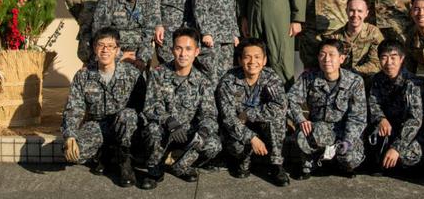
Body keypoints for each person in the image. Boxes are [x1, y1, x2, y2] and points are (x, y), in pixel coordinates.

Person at [139, 27, 222, 189]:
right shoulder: (158, 74)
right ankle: (154, 169)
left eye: (188, 49)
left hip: (187, 135)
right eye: (179, 48)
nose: (183, 54)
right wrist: (169, 121)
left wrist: (203, 131)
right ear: (172, 50)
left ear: (197, 51)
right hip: (165, 132)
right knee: (153, 129)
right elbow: (150, 107)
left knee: (213, 144)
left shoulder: (202, 81)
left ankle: (182, 165)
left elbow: (210, 115)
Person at [61, 27, 144, 187]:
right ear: (94, 48)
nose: (105, 50)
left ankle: (124, 162)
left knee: (128, 115)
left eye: (110, 46)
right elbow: (74, 107)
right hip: (99, 125)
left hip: (125, 126)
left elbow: (142, 107)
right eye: (101, 45)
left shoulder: (132, 74)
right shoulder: (83, 76)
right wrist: (70, 134)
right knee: (72, 153)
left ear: (117, 50)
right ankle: (105, 152)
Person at [287, 38, 367, 178]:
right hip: (319, 129)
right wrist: (300, 119)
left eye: (332, 55)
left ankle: (339, 164)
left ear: (341, 58)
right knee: (302, 137)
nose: (326, 59)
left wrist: (348, 141)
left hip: (343, 131)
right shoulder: (309, 77)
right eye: (322, 54)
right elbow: (290, 99)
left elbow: (358, 117)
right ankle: (311, 163)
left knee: (350, 158)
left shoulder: (355, 81)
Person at [215, 38, 290, 186]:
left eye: (257, 57)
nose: (252, 61)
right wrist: (251, 138)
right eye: (247, 57)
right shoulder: (228, 81)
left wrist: (249, 114)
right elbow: (228, 118)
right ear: (240, 60)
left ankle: (276, 164)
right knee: (237, 149)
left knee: (277, 119)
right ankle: (244, 161)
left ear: (264, 60)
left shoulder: (271, 78)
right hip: (241, 128)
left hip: (262, 125)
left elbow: (280, 106)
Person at [366, 39, 424, 176]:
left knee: (410, 156)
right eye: (384, 58)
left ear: (402, 59)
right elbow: (373, 104)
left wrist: (396, 148)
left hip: (411, 133)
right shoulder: (377, 80)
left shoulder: (413, 83)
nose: (389, 63)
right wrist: (381, 119)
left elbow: (415, 120)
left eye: (393, 58)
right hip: (388, 129)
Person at [92, 0, 164, 71]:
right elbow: (100, 33)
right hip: (112, 55)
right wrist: (120, 55)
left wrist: (141, 59)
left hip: (139, 56)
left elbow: (148, 34)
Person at [322, 0, 384, 86]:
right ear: (346, 11)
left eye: (360, 11)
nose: (355, 15)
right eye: (351, 10)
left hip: (367, 80)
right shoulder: (335, 37)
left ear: (366, 13)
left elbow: (376, 64)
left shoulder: (373, 33)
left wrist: (352, 73)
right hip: (341, 82)